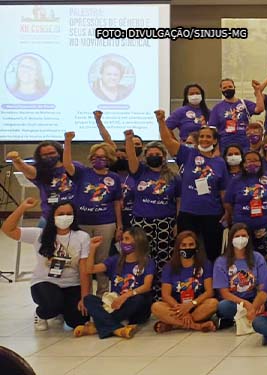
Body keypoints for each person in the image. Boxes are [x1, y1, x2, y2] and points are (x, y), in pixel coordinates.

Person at [1, 198, 90, 331]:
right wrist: (22, 208)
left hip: (72, 283)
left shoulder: (82, 236)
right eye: (60, 214)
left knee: (78, 320)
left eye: (68, 213)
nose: (65, 217)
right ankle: (41, 314)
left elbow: (84, 269)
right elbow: (7, 229)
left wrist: (84, 297)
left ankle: (61, 311)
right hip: (45, 282)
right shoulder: (39, 234)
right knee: (52, 304)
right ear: (53, 216)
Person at [157, 110, 229, 261]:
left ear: (215, 141)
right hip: (188, 213)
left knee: (212, 253)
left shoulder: (220, 163)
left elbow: (223, 191)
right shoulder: (188, 154)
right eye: (202, 136)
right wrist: (161, 121)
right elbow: (168, 141)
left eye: (208, 137)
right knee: (186, 252)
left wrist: (228, 211)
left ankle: (210, 282)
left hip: (212, 213)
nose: (204, 139)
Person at [63, 132, 122, 296]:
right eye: (95, 157)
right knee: (82, 260)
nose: (98, 160)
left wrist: (119, 226)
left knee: (102, 261)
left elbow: (117, 202)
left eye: (102, 157)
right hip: (82, 222)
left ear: (109, 159)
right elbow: (67, 164)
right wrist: (67, 142)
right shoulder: (83, 172)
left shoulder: (114, 178)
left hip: (106, 223)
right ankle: (84, 294)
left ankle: (102, 294)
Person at [126, 134, 180, 299]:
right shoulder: (139, 172)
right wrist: (128, 139)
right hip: (142, 221)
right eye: (150, 155)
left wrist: (177, 222)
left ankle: (161, 294)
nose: (154, 157)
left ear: (164, 157)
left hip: (166, 222)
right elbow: (131, 157)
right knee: (143, 257)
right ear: (145, 156)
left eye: (158, 155)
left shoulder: (174, 177)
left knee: (164, 259)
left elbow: (178, 201)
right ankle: (143, 294)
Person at [76, 227, 154, 339]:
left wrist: (125, 297)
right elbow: (90, 270)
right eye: (122, 239)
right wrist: (92, 249)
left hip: (134, 306)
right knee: (88, 299)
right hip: (114, 305)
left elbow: (147, 286)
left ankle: (99, 325)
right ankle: (117, 328)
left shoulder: (147, 262)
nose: (123, 242)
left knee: (139, 299)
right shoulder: (115, 260)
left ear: (137, 241)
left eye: (127, 239)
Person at [151, 231, 218, 333]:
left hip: (196, 306)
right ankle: (197, 326)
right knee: (156, 307)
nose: (187, 248)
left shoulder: (205, 264)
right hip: (176, 307)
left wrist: (191, 305)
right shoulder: (169, 267)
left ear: (196, 247)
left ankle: (174, 325)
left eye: (191, 245)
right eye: (184, 245)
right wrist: (182, 310)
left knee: (213, 303)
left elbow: (209, 292)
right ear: (178, 247)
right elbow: (165, 295)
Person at [224, 151, 267, 264]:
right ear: (243, 163)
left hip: (265, 226)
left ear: (261, 162)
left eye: (256, 160)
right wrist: (236, 214)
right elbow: (227, 202)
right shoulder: (236, 180)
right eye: (249, 160)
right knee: (241, 257)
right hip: (242, 227)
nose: (252, 163)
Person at [213, 223, 267, 329]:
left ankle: (246, 316)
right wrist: (245, 304)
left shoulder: (257, 257)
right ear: (231, 239)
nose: (241, 239)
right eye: (237, 236)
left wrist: (259, 302)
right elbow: (224, 293)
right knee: (223, 306)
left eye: (244, 236)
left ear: (248, 238)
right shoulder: (221, 262)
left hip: (254, 298)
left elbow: (263, 286)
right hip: (234, 302)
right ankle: (254, 316)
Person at [6, 141, 75, 222]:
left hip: (75, 215)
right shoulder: (40, 171)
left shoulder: (74, 166)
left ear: (59, 152)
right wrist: (17, 161)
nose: (49, 156)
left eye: (52, 153)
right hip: (49, 217)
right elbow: (27, 170)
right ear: (40, 157)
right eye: (44, 155)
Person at [208, 78, 265, 151]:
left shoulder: (244, 103)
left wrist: (257, 91)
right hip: (225, 142)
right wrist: (216, 148)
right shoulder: (217, 108)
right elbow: (212, 129)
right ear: (221, 89)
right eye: (224, 88)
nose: (228, 89)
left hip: (244, 141)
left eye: (230, 87)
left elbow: (260, 109)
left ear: (234, 87)